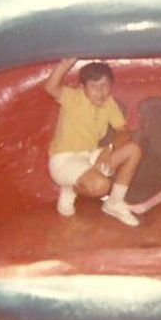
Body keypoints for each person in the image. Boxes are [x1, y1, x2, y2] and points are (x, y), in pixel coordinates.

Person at [45, 58, 142, 226]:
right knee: (101, 186)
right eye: (94, 86)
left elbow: (124, 131)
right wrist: (68, 61)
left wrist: (109, 150)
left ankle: (114, 203)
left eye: (104, 85)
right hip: (64, 161)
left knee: (133, 149)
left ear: (111, 86)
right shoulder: (73, 97)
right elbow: (50, 87)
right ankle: (70, 189)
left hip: (89, 158)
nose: (100, 92)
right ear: (83, 88)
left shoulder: (109, 103)